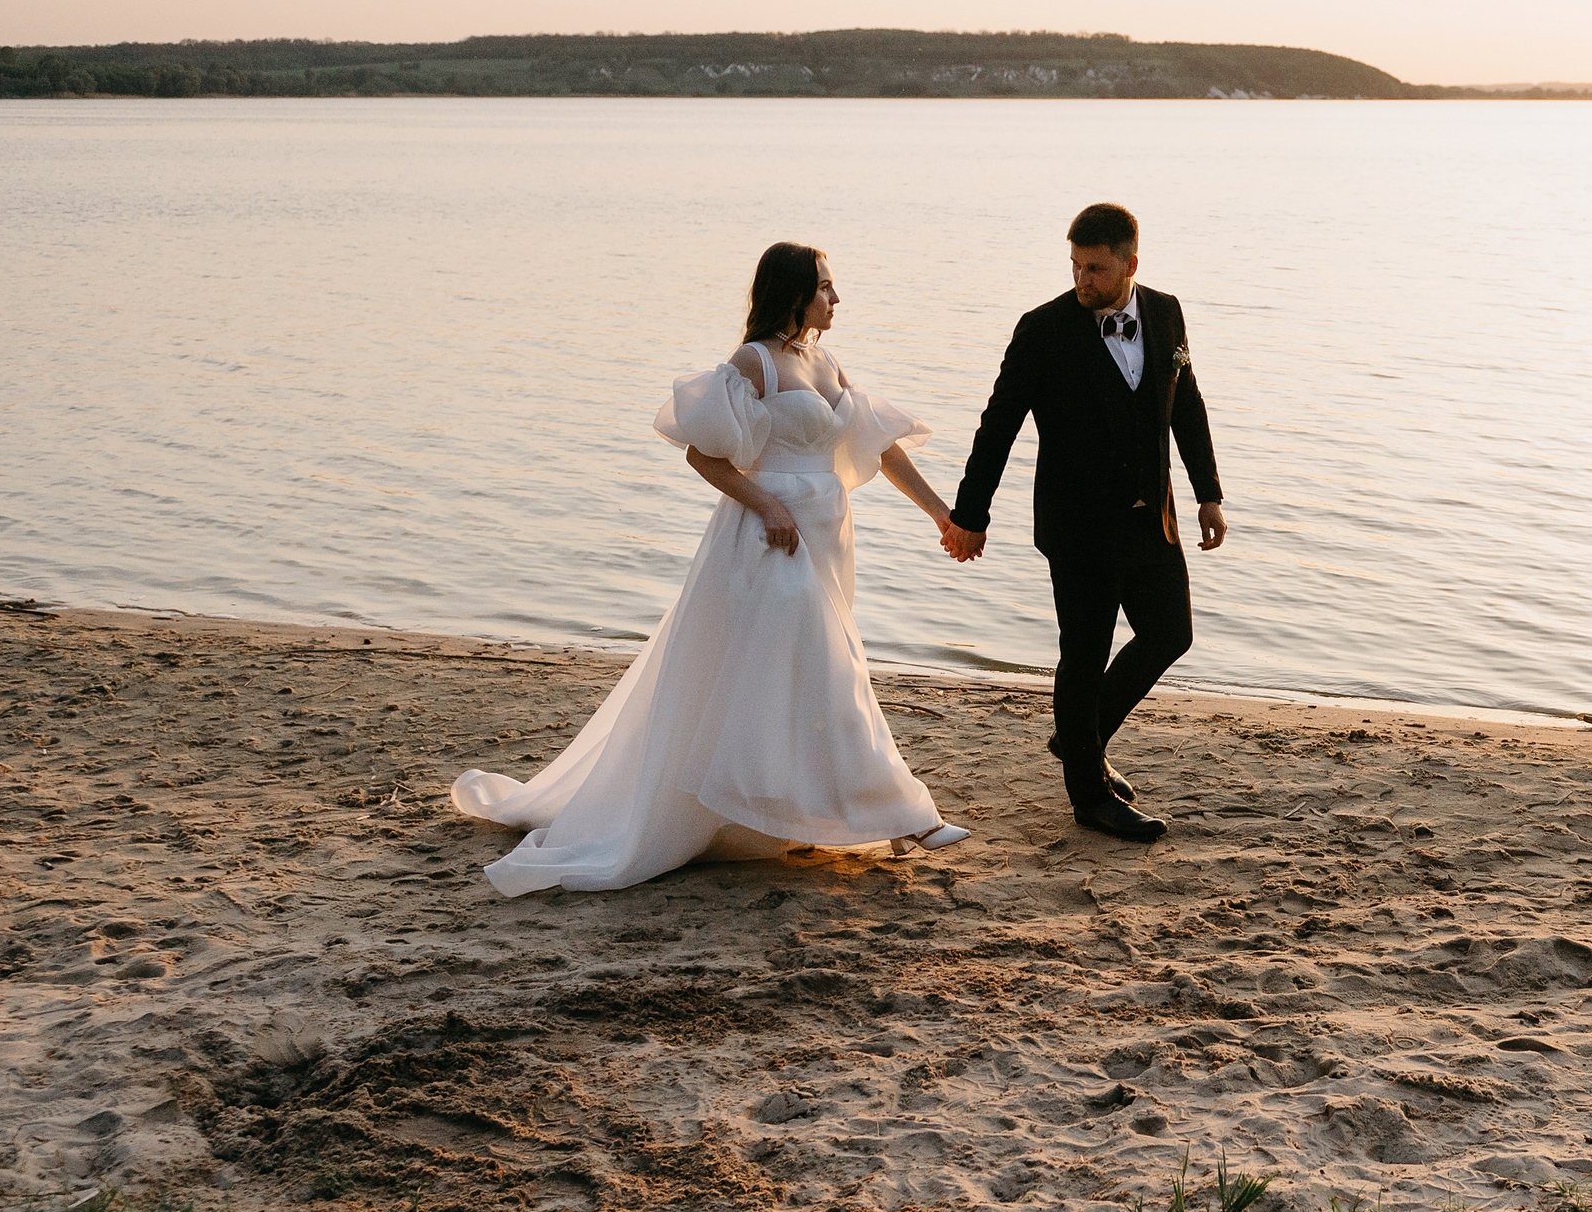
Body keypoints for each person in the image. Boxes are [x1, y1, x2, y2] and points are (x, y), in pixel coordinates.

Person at [454, 242, 971, 895]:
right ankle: (906, 816)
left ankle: (808, 809)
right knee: (836, 670)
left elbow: (878, 445)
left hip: (828, 537)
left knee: (797, 678)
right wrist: (767, 504)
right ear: (794, 294)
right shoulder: (753, 362)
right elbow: (704, 455)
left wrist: (940, 513)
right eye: (826, 287)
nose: (836, 299)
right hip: (770, 540)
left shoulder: (825, 362)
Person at [945, 203, 1225, 841]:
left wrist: (1208, 492)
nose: (1082, 281)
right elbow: (998, 425)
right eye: (1075, 266)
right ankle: (1088, 795)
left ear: (1131, 263)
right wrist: (970, 514)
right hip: (1077, 527)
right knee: (1085, 650)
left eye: (1096, 269)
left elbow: (1187, 405)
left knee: (1170, 633)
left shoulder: (1166, 311)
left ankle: (1079, 736)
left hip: (1152, 518)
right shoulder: (1041, 329)